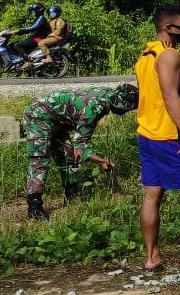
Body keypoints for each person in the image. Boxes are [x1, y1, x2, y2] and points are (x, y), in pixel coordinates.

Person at [135, 4, 180, 271]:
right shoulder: (168, 56)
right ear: (168, 28)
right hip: (171, 136)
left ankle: (152, 257)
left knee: (152, 194)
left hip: (147, 135)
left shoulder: (146, 54)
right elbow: (169, 96)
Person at [22, 84, 139, 221]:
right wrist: (101, 162)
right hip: (38, 116)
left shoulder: (107, 94)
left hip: (56, 120)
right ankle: (34, 208)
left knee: (68, 157)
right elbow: (80, 146)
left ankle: (72, 194)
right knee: (40, 160)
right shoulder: (95, 107)